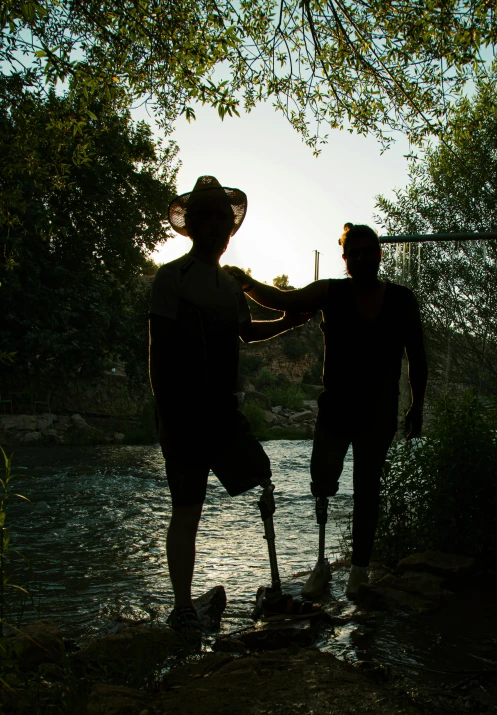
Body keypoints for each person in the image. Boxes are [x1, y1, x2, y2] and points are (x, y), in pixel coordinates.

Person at [149, 175, 316, 633]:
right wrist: (164, 414)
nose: (217, 226)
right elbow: (158, 352)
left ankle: (275, 588)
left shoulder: (229, 285)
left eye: (223, 218)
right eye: (208, 216)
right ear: (194, 225)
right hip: (183, 414)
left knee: (263, 480)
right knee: (187, 510)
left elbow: (247, 331)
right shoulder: (171, 278)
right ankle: (183, 608)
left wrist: (287, 320)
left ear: (229, 227)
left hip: (223, 412)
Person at [225, 223, 428, 600]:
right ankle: (320, 564)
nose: (363, 258)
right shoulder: (330, 292)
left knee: (369, 489)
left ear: (380, 254)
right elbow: (283, 299)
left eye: (370, 251)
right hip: (336, 407)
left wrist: (417, 404)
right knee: (322, 481)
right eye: (355, 253)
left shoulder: (402, 299)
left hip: (379, 410)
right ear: (345, 259)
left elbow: (416, 356)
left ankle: (358, 572)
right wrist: (247, 283)